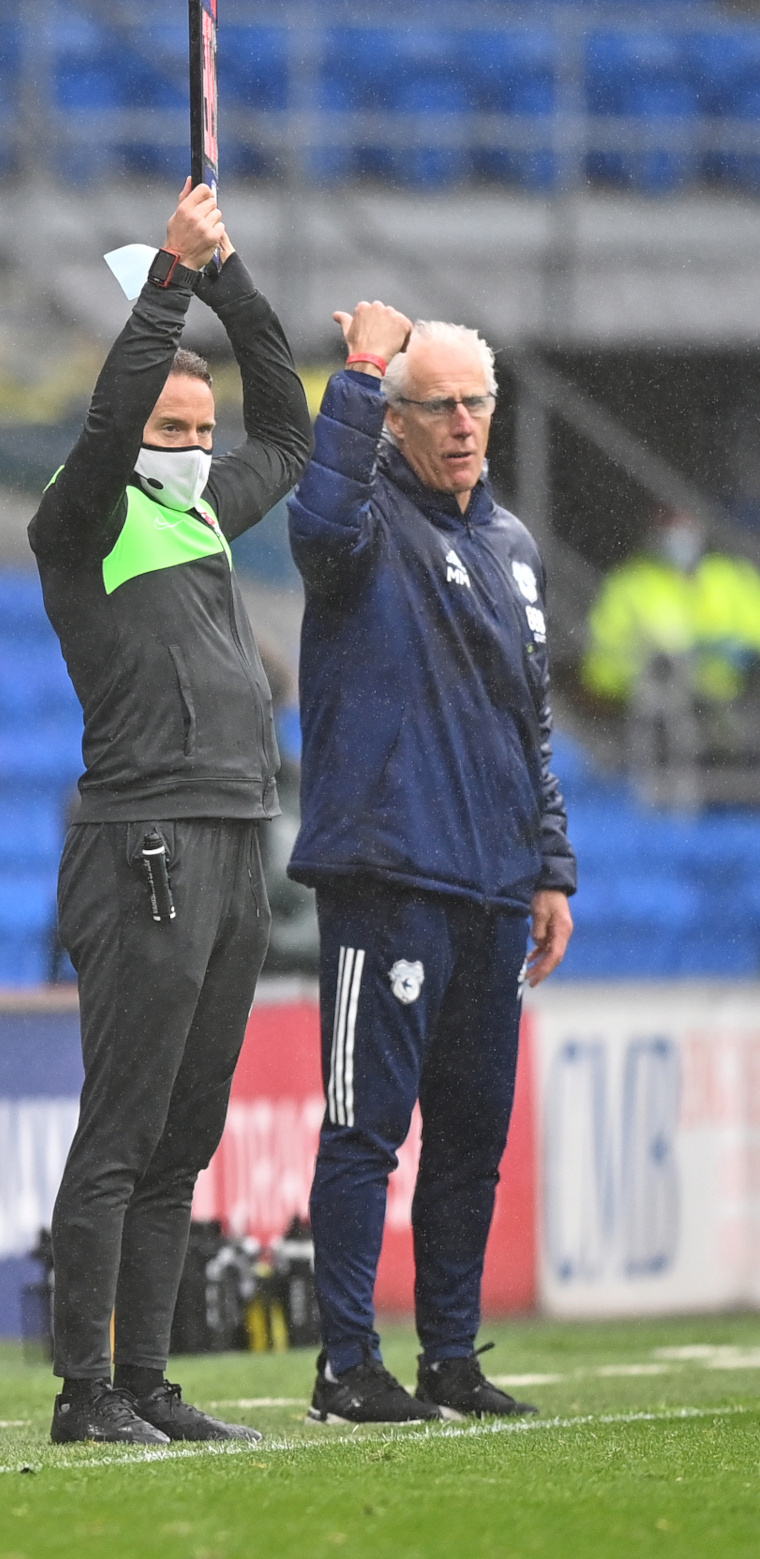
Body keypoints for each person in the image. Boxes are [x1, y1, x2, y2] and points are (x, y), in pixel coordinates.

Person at [30, 181, 313, 1445]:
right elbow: (108, 426)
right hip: (143, 837)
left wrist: (226, 278)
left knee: (186, 1129)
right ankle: (84, 1390)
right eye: (174, 424)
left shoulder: (198, 515)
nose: (197, 444)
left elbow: (289, 429)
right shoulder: (83, 519)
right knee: (125, 1124)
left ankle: (145, 1379)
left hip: (236, 835)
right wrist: (163, 284)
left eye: (204, 426)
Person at [287, 306, 577, 1424]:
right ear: (396, 421)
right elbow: (316, 521)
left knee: (471, 1138)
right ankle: (345, 1365)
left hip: (496, 885)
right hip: (389, 872)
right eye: (437, 405)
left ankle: (449, 1357)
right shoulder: (362, 527)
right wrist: (359, 372)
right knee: (366, 1128)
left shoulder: (514, 549)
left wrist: (550, 865)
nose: (461, 423)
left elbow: (530, 723)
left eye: (476, 402)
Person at [584, 508, 760, 707]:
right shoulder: (633, 582)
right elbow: (604, 655)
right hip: (651, 699)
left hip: (726, 700)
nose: (681, 536)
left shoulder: (725, 576)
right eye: (671, 525)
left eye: (687, 525)